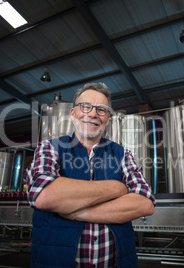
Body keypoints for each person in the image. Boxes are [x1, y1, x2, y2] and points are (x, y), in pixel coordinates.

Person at [25, 82, 155, 267]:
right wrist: (117, 188)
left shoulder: (122, 154)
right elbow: (44, 195)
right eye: (85, 107)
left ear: (108, 118)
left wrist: (75, 212)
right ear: (73, 113)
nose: (93, 114)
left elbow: (145, 203)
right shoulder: (50, 147)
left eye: (102, 110)